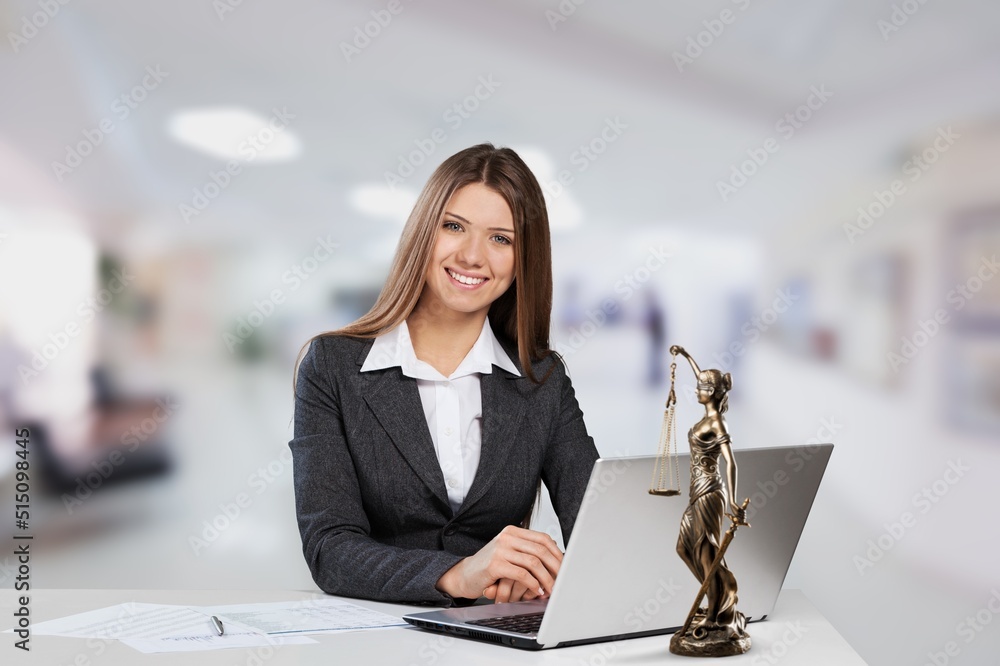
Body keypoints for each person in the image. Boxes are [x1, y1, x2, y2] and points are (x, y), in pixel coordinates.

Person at [289, 143, 600, 607]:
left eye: (502, 239)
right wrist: (458, 574)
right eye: (454, 227)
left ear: (522, 263)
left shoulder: (542, 381)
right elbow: (329, 549)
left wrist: (543, 570)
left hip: (496, 635)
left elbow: (597, 527)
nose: (474, 256)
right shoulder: (332, 366)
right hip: (375, 637)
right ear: (423, 234)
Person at [670, 345, 748, 641]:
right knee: (683, 547)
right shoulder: (708, 412)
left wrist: (731, 500)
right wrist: (685, 354)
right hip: (696, 491)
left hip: (710, 493)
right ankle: (715, 595)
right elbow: (700, 374)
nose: (696, 389)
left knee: (705, 552)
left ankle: (716, 614)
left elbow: (731, 463)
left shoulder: (717, 423)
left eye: (702, 387)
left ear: (713, 392)